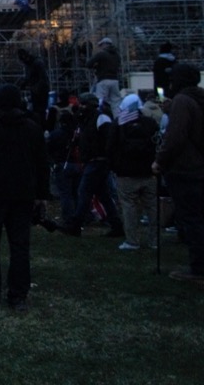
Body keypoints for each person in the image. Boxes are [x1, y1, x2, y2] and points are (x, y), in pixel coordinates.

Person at [0, 84, 50, 311]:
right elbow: (42, 164)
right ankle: (17, 295)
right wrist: (41, 194)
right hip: (22, 195)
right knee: (20, 246)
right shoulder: (32, 129)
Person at [152, 63, 204, 283]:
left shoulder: (183, 102)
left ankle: (199, 269)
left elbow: (175, 138)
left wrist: (159, 161)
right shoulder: (197, 99)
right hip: (199, 167)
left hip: (186, 169)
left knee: (192, 220)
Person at [61, 93, 124, 238]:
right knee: (104, 196)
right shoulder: (86, 120)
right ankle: (117, 225)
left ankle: (75, 225)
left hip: (98, 161)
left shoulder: (101, 118)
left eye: (83, 104)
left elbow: (108, 139)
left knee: (84, 192)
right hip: (93, 161)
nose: (80, 107)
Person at [109, 93, 159, 251]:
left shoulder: (119, 124)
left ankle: (132, 240)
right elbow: (158, 144)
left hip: (126, 173)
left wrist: (115, 167)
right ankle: (154, 240)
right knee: (152, 207)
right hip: (149, 172)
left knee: (129, 207)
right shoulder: (151, 123)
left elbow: (110, 147)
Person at [87, 37, 123, 114]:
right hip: (115, 80)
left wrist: (96, 66)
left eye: (101, 45)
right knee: (116, 102)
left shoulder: (101, 54)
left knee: (100, 101)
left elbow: (88, 64)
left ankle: (100, 118)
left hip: (103, 80)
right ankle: (117, 120)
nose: (100, 47)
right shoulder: (117, 56)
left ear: (104, 44)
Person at [17, 49, 50, 122]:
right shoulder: (28, 65)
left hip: (41, 91)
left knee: (40, 110)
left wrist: (36, 88)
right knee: (36, 110)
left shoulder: (37, 63)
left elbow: (43, 79)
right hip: (35, 90)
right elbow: (28, 77)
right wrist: (23, 84)